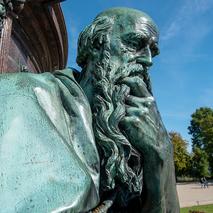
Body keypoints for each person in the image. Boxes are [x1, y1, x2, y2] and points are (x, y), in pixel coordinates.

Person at [0, 7, 179, 212]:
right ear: (95, 45)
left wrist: (161, 154)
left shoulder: (137, 135)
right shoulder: (24, 96)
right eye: (134, 44)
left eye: (152, 52)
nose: (147, 60)